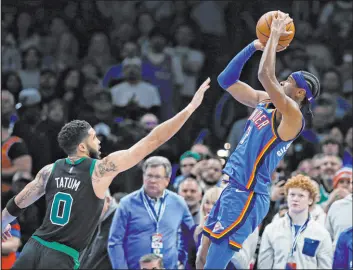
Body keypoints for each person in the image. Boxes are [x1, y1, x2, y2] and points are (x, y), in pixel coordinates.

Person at [1, 78, 211, 269]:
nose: (99, 141)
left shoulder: (49, 170)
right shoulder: (99, 170)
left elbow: (18, 202)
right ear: (82, 146)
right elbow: (153, 140)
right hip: (62, 255)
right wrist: (190, 108)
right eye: (93, 138)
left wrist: (3, 224)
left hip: (34, 246)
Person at [197, 12, 321, 269]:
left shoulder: (293, 116)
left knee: (214, 263)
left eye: (288, 81)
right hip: (233, 186)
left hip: (249, 193)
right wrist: (254, 46)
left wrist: (274, 38)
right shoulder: (266, 101)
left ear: (299, 92)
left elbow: (266, 75)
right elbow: (226, 80)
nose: (283, 81)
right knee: (202, 254)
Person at [107, 156, 194, 269]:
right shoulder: (127, 203)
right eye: (149, 176)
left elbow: (190, 234)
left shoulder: (178, 202)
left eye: (157, 177)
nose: (152, 180)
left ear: (167, 180)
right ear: (143, 177)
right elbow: (115, 242)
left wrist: (181, 257)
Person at [257, 174, 333, 269]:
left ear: (310, 200)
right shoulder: (271, 229)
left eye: (301, 195)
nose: (295, 199)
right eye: (292, 194)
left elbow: (325, 266)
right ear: (287, 197)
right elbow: (264, 265)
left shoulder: (321, 233)